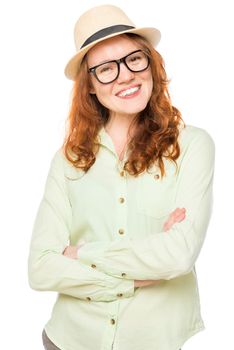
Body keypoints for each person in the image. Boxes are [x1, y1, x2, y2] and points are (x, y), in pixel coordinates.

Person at [28, 4, 215, 350]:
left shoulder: (193, 146)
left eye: (134, 59)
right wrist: (133, 278)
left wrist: (81, 254)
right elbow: (40, 268)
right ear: (90, 87)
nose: (125, 75)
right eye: (105, 69)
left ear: (151, 64)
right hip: (69, 339)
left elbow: (178, 256)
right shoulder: (67, 161)